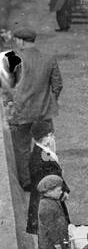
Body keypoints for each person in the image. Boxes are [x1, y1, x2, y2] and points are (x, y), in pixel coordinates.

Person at [1, 25, 62, 189]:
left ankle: (27, 183)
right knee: (46, 148)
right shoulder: (49, 58)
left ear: (21, 41)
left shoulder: (12, 59)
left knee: (22, 149)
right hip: (43, 113)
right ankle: (48, 179)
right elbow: (57, 85)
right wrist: (49, 102)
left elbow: (7, 89)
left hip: (20, 114)